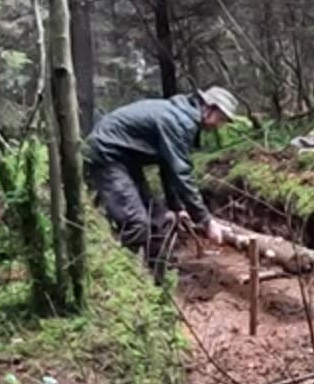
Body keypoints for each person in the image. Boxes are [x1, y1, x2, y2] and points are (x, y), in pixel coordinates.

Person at [83, 86, 237, 276]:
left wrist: (177, 207)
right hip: (106, 155)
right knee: (136, 222)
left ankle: (159, 277)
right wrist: (206, 221)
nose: (218, 125)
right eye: (220, 119)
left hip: (125, 159)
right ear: (208, 108)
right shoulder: (181, 122)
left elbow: (168, 166)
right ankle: (124, 280)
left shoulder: (182, 117)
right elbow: (182, 174)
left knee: (157, 217)